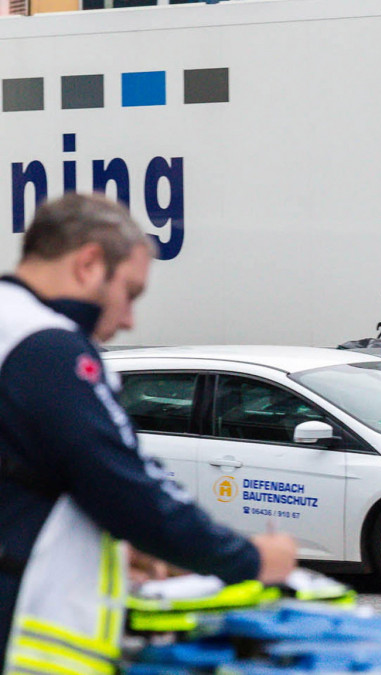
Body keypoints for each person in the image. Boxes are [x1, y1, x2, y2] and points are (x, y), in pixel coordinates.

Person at [0, 193, 297, 674]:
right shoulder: (45, 347)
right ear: (90, 264)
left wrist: (125, 547)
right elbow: (123, 484)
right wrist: (251, 558)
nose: (128, 320)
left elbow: (29, 480)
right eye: (130, 293)